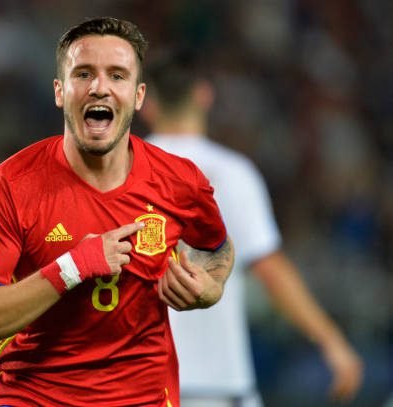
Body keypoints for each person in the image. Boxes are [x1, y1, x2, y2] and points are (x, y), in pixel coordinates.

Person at [0, 17, 234, 407]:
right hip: (34, 397)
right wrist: (71, 267)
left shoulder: (180, 181)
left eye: (117, 75)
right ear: (60, 91)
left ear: (138, 96)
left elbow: (217, 246)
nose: (100, 87)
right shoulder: (14, 183)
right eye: (84, 73)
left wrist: (210, 288)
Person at [141, 48, 364, 407]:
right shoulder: (231, 173)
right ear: (204, 95)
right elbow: (270, 268)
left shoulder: (121, 175)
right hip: (216, 384)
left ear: (146, 103)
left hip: (137, 384)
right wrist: (330, 340)